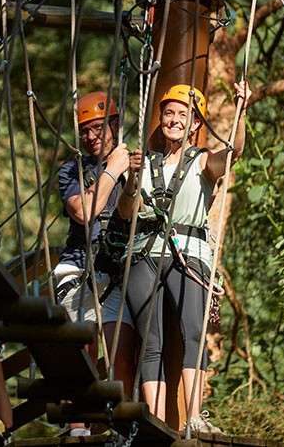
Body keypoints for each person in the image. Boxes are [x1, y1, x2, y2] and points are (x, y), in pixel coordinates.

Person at [117, 81, 250, 433]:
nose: (174, 120)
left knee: (193, 331)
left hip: (188, 253)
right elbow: (127, 213)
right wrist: (132, 180)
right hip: (145, 253)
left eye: (183, 115)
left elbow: (233, 153)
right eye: (169, 113)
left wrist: (241, 110)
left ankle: (193, 415)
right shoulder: (144, 163)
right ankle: (156, 422)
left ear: (195, 124)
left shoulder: (203, 161)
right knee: (151, 342)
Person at [55, 91, 137, 436]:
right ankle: (77, 427)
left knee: (122, 354)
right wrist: (113, 169)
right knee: (82, 352)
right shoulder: (71, 170)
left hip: (116, 271)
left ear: (114, 125)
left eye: (97, 128)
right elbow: (84, 212)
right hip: (78, 268)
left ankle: (121, 427)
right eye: (84, 130)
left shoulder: (135, 164)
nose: (90, 136)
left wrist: (129, 171)